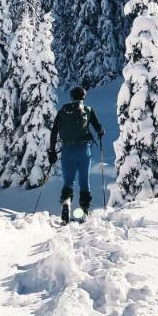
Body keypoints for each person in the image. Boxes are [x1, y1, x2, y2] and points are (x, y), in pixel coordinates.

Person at [48, 86, 104, 222]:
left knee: (69, 182)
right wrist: (100, 134)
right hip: (84, 151)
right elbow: (100, 129)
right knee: (84, 182)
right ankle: (84, 212)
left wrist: (52, 151)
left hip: (67, 150)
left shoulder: (62, 111)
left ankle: (67, 202)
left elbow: (54, 132)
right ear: (84, 97)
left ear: (71, 97)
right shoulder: (88, 110)